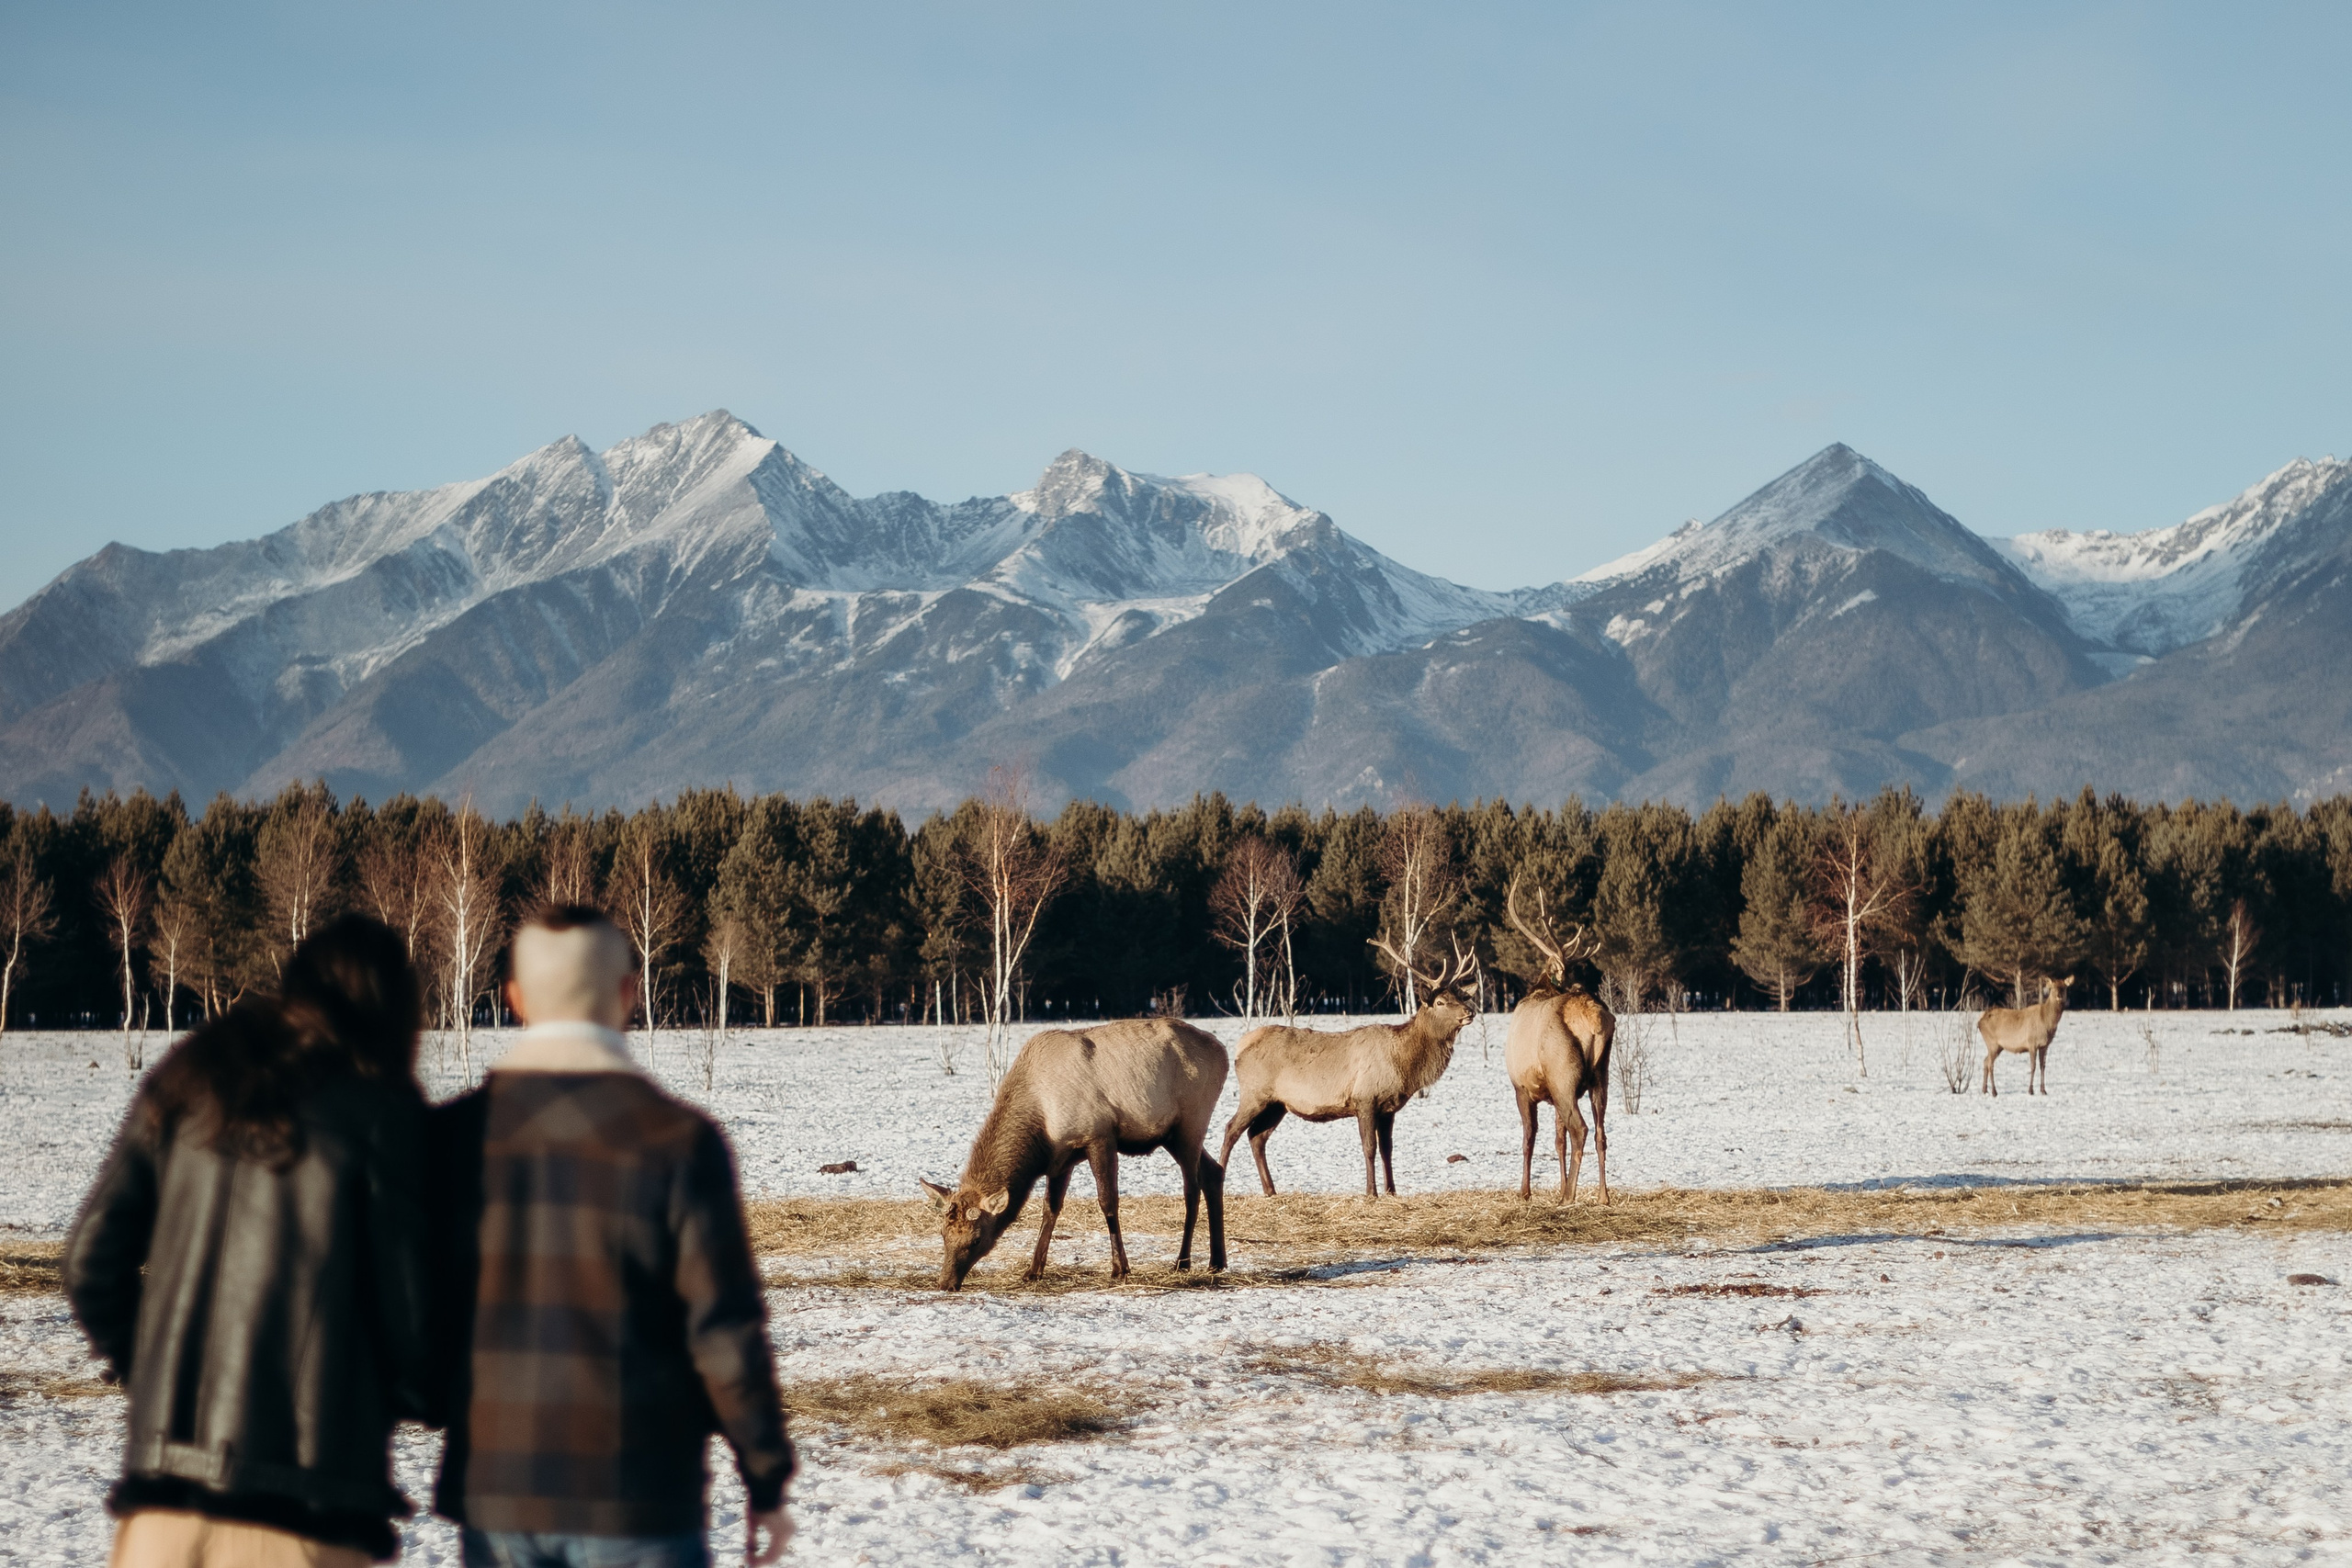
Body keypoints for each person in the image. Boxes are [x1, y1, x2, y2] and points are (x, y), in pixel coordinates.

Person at [430, 905, 793, 1567]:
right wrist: (764, 1472)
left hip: (497, 1489)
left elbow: (414, 1315)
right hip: (640, 1491)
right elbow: (724, 1331)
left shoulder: (449, 1139)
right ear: (629, 991)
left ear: (511, 998)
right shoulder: (678, 1142)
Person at [64, 915, 433, 1567]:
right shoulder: (381, 1115)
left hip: (161, 1515)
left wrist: (152, 1374)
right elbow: (417, 1326)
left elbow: (92, 1260)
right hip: (304, 1520)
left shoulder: (189, 1079)